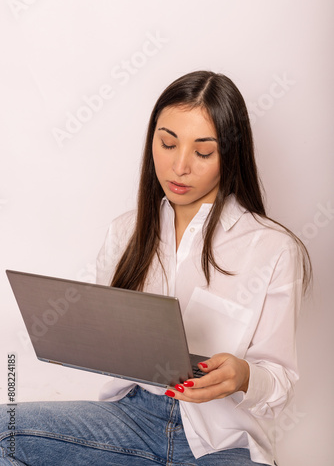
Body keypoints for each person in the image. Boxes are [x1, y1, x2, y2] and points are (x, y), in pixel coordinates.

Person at [0, 71, 311, 465]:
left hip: (220, 442)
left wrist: (245, 375)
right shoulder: (125, 233)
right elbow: (105, 343)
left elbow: (280, 378)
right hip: (130, 419)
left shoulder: (273, 248)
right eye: (167, 143)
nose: (179, 166)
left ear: (229, 155)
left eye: (202, 152)